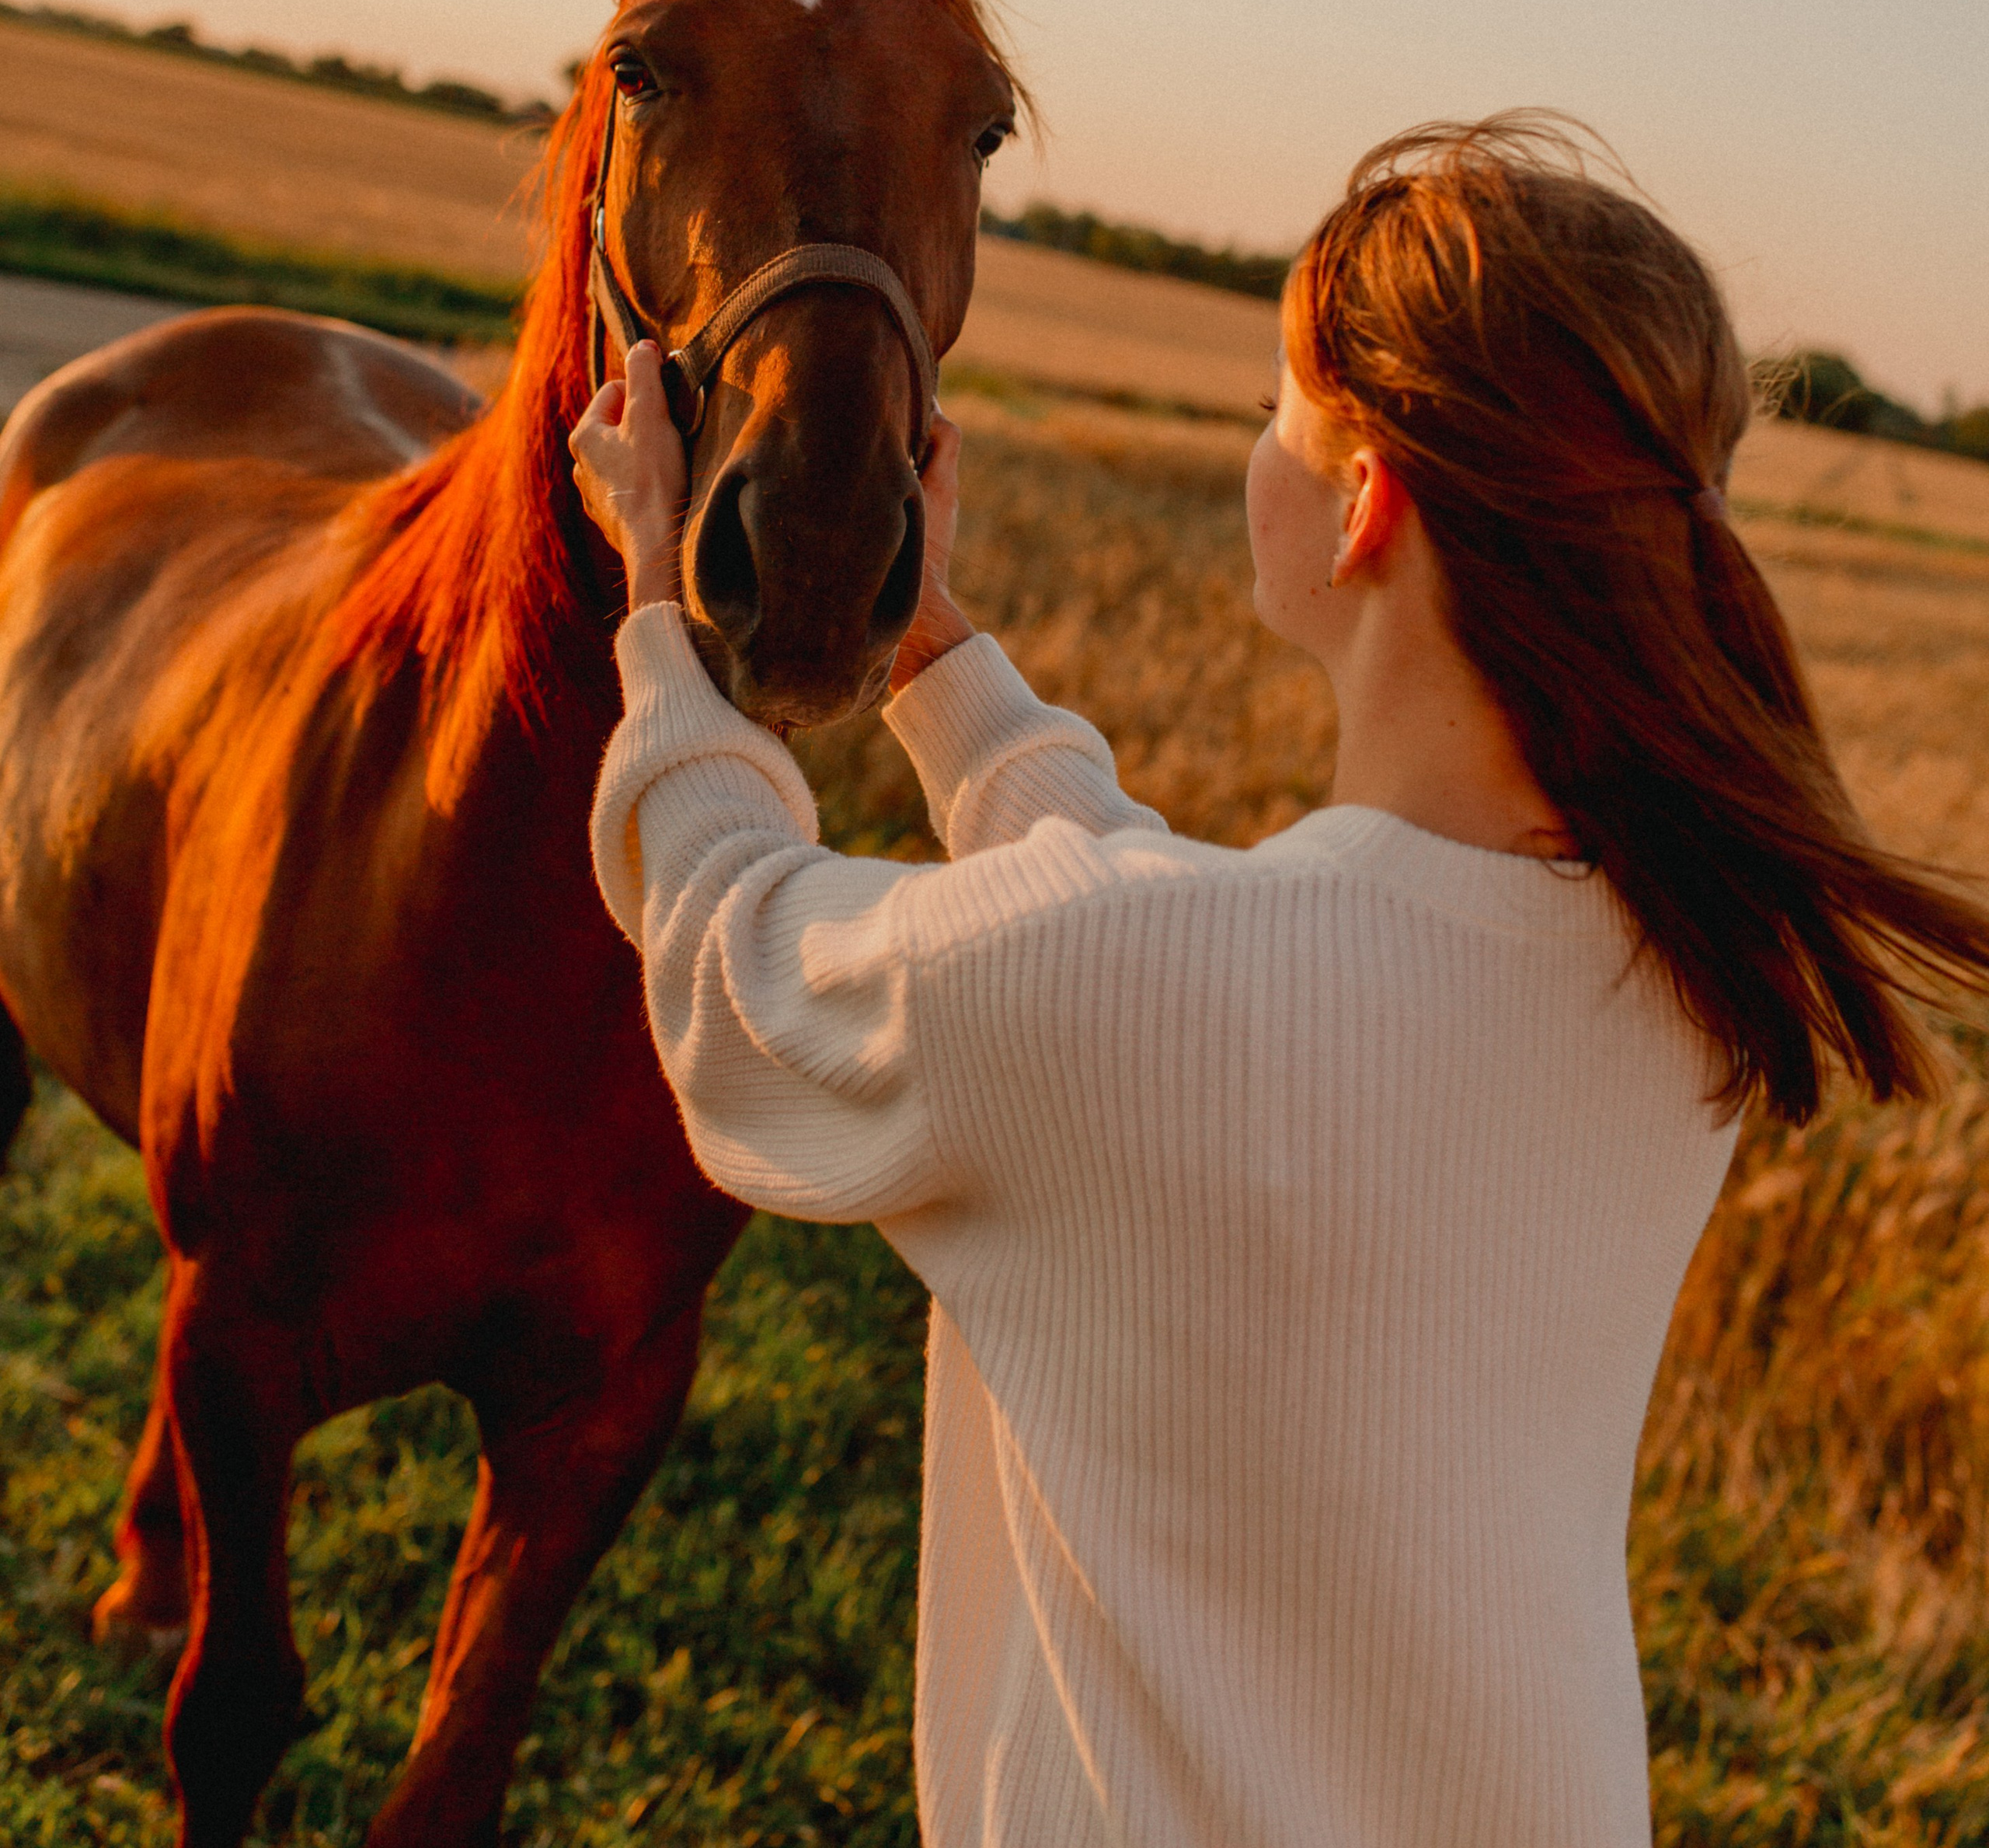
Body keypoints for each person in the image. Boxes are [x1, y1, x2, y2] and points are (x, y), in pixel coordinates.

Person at [572, 114, 1987, 1848]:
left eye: (1272, 407)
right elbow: (1171, 949)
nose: (1256, 448)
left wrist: (652, 601)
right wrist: (935, 655)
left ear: (1365, 496)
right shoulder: (1680, 974)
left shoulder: (1133, 983)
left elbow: (730, 953)